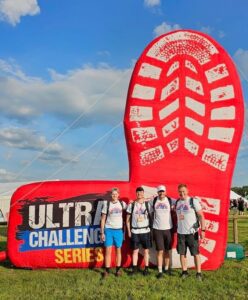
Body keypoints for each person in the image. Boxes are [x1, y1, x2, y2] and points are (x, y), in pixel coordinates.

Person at [175, 184, 206, 281]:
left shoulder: (193, 201)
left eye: (183, 191)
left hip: (192, 233)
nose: (182, 193)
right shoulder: (177, 202)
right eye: (180, 191)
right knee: (182, 253)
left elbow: (201, 216)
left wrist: (203, 229)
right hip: (181, 233)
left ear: (187, 191)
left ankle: (199, 273)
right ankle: (184, 272)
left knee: (196, 253)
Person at [100, 187, 126, 277]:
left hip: (118, 230)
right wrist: (102, 232)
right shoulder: (107, 204)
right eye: (113, 194)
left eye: (116, 194)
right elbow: (103, 219)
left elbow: (131, 210)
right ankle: (107, 270)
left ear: (119, 195)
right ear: (111, 195)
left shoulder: (122, 204)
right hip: (108, 230)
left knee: (118, 250)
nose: (114, 195)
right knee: (108, 251)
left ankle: (117, 270)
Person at [126, 186, 152, 276]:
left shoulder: (148, 204)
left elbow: (151, 217)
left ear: (143, 193)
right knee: (135, 251)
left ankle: (146, 269)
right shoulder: (131, 205)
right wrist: (129, 231)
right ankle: (134, 268)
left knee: (146, 251)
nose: (139, 194)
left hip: (145, 230)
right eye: (138, 192)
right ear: (136, 193)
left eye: (141, 192)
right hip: (135, 231)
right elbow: (127, 220)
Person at [151, 185, 173, 279]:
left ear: (165, 192)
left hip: (168, 228)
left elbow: (182, 201)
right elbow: (143, 204)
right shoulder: (154, 201)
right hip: (157, 229)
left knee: (167, 250)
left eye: (163, 191)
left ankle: (166, 269)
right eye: (160, 191)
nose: (161, 193)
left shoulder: (170, 200)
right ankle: (160, 271)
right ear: (157, 192)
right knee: (160, 251)